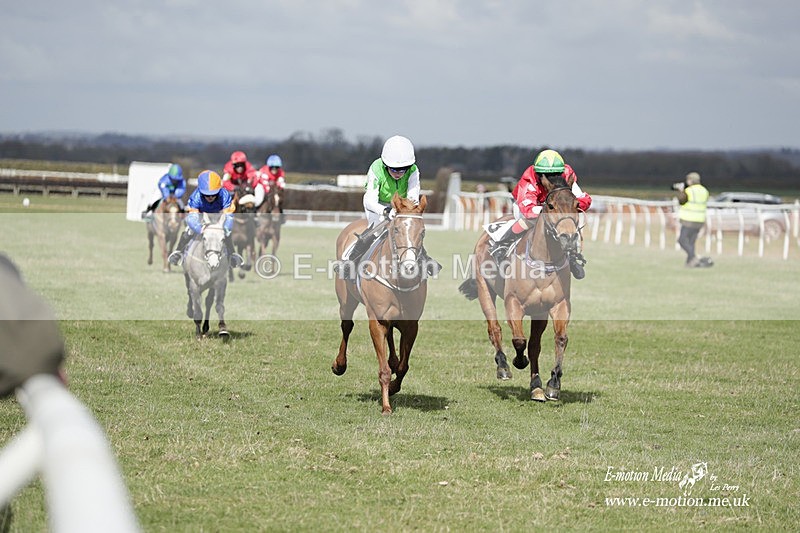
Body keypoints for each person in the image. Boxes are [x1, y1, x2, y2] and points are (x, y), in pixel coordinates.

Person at [341, 135, 440, 277]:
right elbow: (369, 200)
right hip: (378, 205)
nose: (398, 173)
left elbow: (412, 198)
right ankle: (350, 261)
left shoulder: (413, 170)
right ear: (385, 165)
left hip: (402, 207)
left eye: (403, 169)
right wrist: (385, 210)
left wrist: (404, 212)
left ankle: (424, 259)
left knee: (409, 232)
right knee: (375, 231)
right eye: (393, 169)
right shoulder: (376, 168)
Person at [488, 149, 592, 279]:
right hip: (529, 206)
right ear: (538, 173)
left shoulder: (567, 174)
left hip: (554, 207)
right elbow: (528, 210)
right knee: (529, 221)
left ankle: (571, 256)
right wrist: (549, 209)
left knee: (569, 222)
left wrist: (569, 206)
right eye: (546, 175)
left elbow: (585, 200)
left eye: (556, 174)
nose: (552, 178)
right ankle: (502, 245)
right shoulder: (529, 179)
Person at [168, 170, 244, 268]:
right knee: (189, 230)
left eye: (213, 194)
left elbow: (229, 216)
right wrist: (199, 228)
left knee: (226, 232)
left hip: (218, 215)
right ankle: (179, 252)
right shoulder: (195, 197)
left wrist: (226, 228)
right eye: (207, 194)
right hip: (200, 214)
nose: (210, 197)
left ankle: (232, 255)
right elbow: (191, 218)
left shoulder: (225, 195)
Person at [675, 171, 713, 268]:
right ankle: (690, 263)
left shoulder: (689, 191)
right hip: (700, 220)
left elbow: (681, 201)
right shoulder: (705, 191)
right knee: (691, 242)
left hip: (689, 220)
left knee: (682, 241)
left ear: (691, 180)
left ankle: (694, 258)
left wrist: (681, 191)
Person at [258, 154, 287, 223]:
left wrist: (279, 189)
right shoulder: (264, 171)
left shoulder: (281, 172)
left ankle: (281, 213)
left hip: (272, 187)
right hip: (261, 186)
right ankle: (256, 211)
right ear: (269, 167)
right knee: (259, 198)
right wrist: (270, 190)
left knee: (278, 197)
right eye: (272, 167)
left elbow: (281, 183)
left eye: (276, 167)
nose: (274, 169)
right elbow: (265, 185)